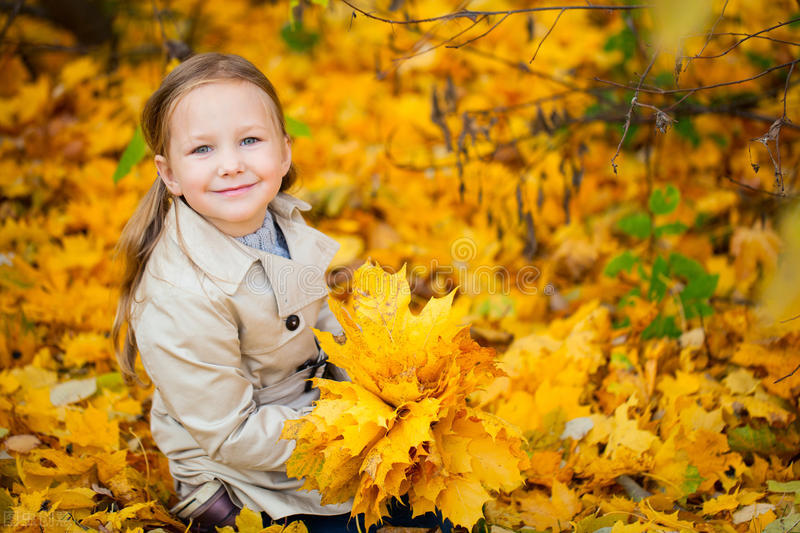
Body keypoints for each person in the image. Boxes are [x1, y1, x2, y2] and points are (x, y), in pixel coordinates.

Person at [112, 53, 448, 533]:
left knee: (439, 504)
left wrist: (378, 388)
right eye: (202, 150)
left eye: (249, 140)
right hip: (245, 470)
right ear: (169, 174)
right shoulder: (179, 295)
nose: (231, 165)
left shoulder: (280, 224)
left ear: (284, 153)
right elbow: (229, 433)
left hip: (315, 418)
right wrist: (348, 433)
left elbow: (319, 321)